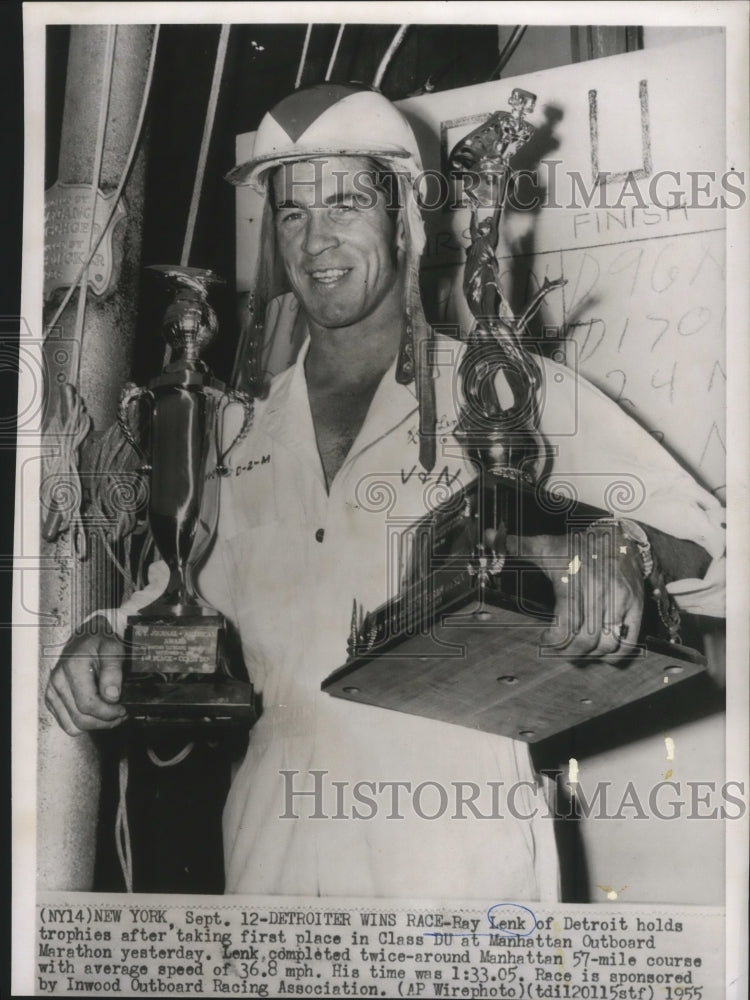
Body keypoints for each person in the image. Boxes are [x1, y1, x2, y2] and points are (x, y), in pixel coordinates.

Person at [45, 83, 725, 899]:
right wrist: (102, 642)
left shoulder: (507, 389)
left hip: (464, 869)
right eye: (292, 213)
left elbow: (719, 551)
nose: (317, 239)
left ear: (404, 216)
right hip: (273, 868)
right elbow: (174, 598)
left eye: (346, 204)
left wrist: (618, 541)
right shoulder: (230, 435)